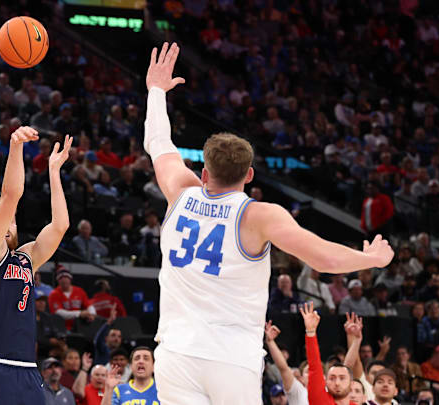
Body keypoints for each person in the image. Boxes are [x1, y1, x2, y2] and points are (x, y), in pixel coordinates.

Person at [143, 42, 393, 404]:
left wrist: (155, 91)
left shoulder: (179, 190)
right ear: (249, 175)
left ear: (203, 172)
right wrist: (373, 259)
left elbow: (158, 140)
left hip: (176, 353)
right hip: (231, 357)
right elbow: (325, 259)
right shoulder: (259, 215)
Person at [0, 129, 73, 405]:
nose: (8, 224)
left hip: (27, 370)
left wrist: (53, 171)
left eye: (11, 220)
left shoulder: (26, 258)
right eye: (1, 221)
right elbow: (11, 194)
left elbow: (60, 226)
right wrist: (15, 147)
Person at [300, 302, 355, 405]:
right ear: (325, 382)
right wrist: (311, 332)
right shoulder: (320, 400)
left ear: (351, 383)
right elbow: (314, 366)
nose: (337, 383)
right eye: (332, 378)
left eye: (342, 378)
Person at [265, 321, 309, 405]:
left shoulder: (328, 391)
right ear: (302, 378)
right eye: (308, 371)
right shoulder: (298, 391)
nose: (312, 374)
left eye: (316, 371)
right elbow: (283, 368)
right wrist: (270, 342)